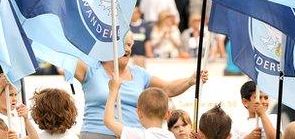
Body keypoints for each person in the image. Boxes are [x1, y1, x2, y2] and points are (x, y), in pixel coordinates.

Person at [74, 32, 208, 139]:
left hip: (133, 135)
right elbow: (63, 53)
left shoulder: (139, 74)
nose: (127, 49)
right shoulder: (90, 68)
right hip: (96, 133)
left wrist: (190, 81)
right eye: (123, 45)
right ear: (109, 46)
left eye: (130, 45)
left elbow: (168, 89)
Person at [104, 77, 174, 139]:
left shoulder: (138, 135)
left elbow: (109, 121)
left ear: (139, 113)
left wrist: (113, 90)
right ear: (167, 114)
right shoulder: (171, 136)